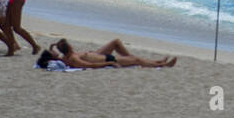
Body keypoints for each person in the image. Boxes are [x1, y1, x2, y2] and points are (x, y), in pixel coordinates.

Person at [37, 38, 176, 69]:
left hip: (96, 54)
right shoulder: (71, 58)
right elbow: (91, 64)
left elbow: (54, 53)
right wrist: (110, 62)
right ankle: (163, 64)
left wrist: (52, 46)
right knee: (137, 60)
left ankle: (158, 62)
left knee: (116, 42)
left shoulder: (65, 56)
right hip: (108, 58)